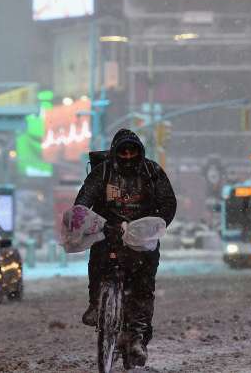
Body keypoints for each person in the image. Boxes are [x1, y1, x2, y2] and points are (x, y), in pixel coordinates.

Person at [74, 128, 176, 366]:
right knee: (98, 259)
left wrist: (153, 224)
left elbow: (168, 203)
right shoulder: (102, 172)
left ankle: (138, 337)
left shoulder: (153, 172)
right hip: (108, 232)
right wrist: (86, 220)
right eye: (123, 152)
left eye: (132, 151)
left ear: (140, 153)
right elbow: (83, 200)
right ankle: (95, 304)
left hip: (142, 239)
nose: (128, 156)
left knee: (143, 286)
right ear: (115, 153)